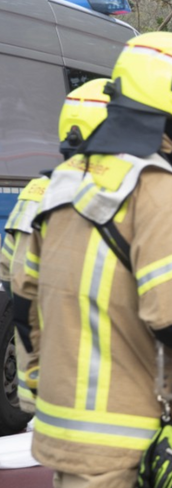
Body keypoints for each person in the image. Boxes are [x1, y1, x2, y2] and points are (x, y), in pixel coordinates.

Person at [12, 31, 172, 488]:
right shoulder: (159, 188)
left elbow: (26, 302)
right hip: (121, 439)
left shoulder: (66, 178)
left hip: (67, 427)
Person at [0, 79, 111, 417]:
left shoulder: (37, 188)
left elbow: (8, 269)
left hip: (40, 378)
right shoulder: (112, 195)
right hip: (98, 387)